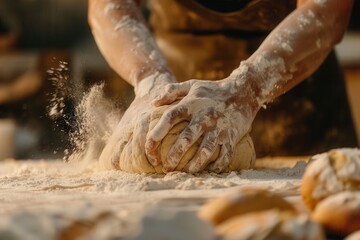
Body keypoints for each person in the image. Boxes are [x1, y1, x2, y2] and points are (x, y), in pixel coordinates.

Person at [88, 0, 357, 173]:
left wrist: (249, 86)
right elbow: (109, 6)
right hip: (174, 91)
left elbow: (328, 9)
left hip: (299, 102)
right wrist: (150, 77)